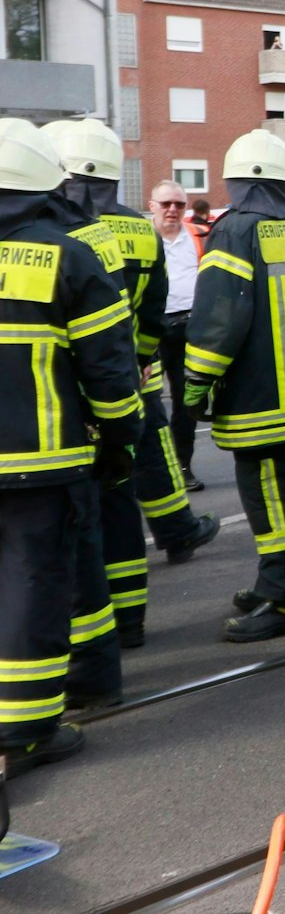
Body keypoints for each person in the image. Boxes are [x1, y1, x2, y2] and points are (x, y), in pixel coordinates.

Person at [0, 121, 143, 775]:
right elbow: (110, 372)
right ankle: (27, 729)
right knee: (33, 583)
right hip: (42, 463)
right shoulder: (68, 256)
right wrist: (119, 441)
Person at [44, 121, 219, 648]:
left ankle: (80, 634)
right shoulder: (139, 233)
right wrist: (139, 361)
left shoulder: (49, 232)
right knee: (128, 482)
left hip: (59, 398)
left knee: (72, 514)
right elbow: (153, 309)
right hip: (126, 378)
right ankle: (131, 618)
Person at [183, 130, 285, 642]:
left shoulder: (234, 230)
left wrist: (196, 380)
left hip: (257, 397)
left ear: (236, 181)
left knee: (271, 498)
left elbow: (219, 316)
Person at [150, 180, 208, 492]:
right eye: (166, 204)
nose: (172, 209)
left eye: (179, 204)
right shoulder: (143, 238)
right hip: (151, 328)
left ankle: (182, 466)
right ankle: (147, 470)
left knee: (186, 402)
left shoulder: (199, 236)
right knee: (147, 402)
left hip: (190, 326)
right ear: (152, 206)